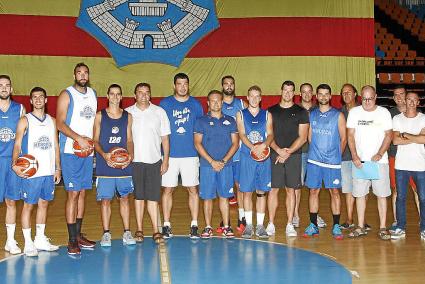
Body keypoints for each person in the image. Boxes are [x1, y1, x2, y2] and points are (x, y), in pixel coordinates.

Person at [11, 87, 61, 256]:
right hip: (31, 172)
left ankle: (40, 238)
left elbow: (55, 145)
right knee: (28, 206)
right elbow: (17, 144)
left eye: (41, 97)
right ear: (31, 101)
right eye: (35, 97)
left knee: (44, 203)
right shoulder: (25, 120)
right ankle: (28, 243)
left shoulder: (52, 121)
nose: (38, 99)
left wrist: (58, 168)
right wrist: (14, 164)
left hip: (48, 171)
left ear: (46, 100)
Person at [57, 63, 97, 254]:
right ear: (74, 74)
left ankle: (79, 235)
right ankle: (71, 239)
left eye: (85, 72)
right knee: (72, 194)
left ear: (88, 75)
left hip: (87, 152)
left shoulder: (93, 94)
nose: (82, 75)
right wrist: (78, 138)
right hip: (70, 150)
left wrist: (91, 144)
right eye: (79, 72)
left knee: (82, 193)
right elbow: (60, 123)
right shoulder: (67, 94)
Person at [160, 73, 203, 239]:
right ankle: (166, 224)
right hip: (170, 155)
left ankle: (194, 225)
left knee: (193, 190)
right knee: (168, 190)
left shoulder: (196, 105)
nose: (183, 87)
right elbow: (160, 131)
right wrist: (162, 156)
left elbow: (200, 129)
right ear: (174, 86)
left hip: (191, 155)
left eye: (185, 84)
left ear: (188, 85)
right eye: (179, 84)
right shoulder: (165, 104)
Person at [126, 83, 170, 244]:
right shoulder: (128, 113)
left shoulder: (159, 112)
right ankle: (139, 230)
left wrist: (165, 160)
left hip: (154, 162)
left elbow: (165, 138)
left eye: (147, 92)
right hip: (135, 162)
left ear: (150, 95)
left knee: (153, 198)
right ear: (135, 95)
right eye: (140, 92)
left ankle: (156, 230)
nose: (144, 95)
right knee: (138, 197)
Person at [347, 86, 392, 240]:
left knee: (381, 195)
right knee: (360, 195)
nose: (367, 102)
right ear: (360, 97)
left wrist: (380, 153)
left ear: (376, 97)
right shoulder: (354, 112)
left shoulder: (384, 113)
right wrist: (354, 155)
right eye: (364, 98)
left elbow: (388, 135)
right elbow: (350, 136)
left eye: (370, 98)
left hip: (379, 163)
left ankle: (383, 227)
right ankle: (360, 226)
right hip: (360, 162)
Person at [93, 84, 136, 247]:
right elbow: (95, 141)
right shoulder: (99, 116)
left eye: (118, 94)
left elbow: (130, 140)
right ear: (107, 96)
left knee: (124, 198)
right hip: (105, 165)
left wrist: (130, 155)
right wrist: (104, 155)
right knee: (105, 200)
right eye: (112, 94)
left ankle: (127, 231)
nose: (115, 97)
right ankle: (106, 233)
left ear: (121, 97)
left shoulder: (128, 116)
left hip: (124, 164)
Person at [303, 84, 346, 240]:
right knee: (313, 191)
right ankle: (313, 224)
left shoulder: (338, 115)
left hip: (332, 163)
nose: (323, 97)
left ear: (330, 96)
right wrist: (316, 152)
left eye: (326, 94)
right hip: (314, 161)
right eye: (320, 94)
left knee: (334, 192)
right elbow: (309, 137)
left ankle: (336, 225)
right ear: (317, 96)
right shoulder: (311, 115)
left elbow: (344, 138)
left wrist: (336, 156)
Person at [194, 90, 239, 239]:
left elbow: (235, 143)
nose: (215, 103)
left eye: (218, 100)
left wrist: (224, 161)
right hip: (207, 166)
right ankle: (207, 227)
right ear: (208, 103)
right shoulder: (201, 121)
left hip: (226, 165)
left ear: (222, 102)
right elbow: (197, 143)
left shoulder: (231, 121)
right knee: (207, 197)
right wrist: (212, 161)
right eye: (212, 101)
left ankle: (226, 226)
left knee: (224, 197)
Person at [268, 81, 308, 237]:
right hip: (275, 155)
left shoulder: (301, 111)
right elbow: (268, 135)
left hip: (294, 156)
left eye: (291, 91)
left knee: (291, 190)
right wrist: (278, 150)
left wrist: (288, 152)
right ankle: (271, 223)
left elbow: (303, 137)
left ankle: (290, 224)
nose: (288, 93)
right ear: (281, 91)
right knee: (273, 190)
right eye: (285, 90)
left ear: (294, 93)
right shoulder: (271, 111)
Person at [236, 85, 273, 239]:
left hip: (263, 157)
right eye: (252, 96)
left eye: (257, 96)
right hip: (247, 156)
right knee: (246, 191)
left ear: (261, 98)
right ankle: (249, 225)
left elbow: (270, 134)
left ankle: (260, 225)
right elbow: (242, 134)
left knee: (261, 192)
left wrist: (263, 145)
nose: (254, 98)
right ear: (247, 97)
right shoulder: (241, 114)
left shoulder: (267, 114)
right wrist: (253, 148)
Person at [391, 92, 425, 240]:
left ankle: (424, 228)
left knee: (423, 198)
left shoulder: (423, 118)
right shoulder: (397, 118)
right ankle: (400, 227)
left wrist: (406, 135)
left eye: (414, 100)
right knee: (401, 198)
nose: (411, 102)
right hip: (401, 165)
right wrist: (416, 137)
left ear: (418, 102)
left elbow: (423, 140)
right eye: (408, 99)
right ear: (405, 101)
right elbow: (396, 141)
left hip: (420, 165)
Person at [218, 75, 248, 233]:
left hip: (239, 153)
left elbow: (249, 123)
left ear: (234, 86)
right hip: (223, 153)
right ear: (222, 86)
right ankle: (225, 220)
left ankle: (242, 218)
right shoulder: (217, 103)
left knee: (240, 186)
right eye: (226, 84)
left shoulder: (242, 103)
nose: (229, 86)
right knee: (225, 187)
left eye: (231, 84)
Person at [0, 74, 26, 255]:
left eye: (7, 85)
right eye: (0, 85)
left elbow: (24, 136)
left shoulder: (20, 109)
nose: (3, 88)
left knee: (11, 201)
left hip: (12, 162)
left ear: (12, 88)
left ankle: (10, 240)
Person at [298, 83, 327, 229]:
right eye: (304, 92)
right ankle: (295, 216)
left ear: (313, 94)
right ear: (300, 94)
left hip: (316, 153)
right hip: (300, 152)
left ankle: (316, 215)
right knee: (297, 185)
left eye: (310, 92)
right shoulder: (295, 109)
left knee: (315, 187)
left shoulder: (319, 109)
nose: (307, 94)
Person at [339, 84, 359, 230]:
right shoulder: (339, 113)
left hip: (362, 156)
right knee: (348, 189)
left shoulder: (364, 111)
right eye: (343, 93)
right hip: (345, 156)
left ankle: (362, 220)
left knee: (362, 189)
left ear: (355, 94)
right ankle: (349, 218)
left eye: (349, 92)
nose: (346, 95)